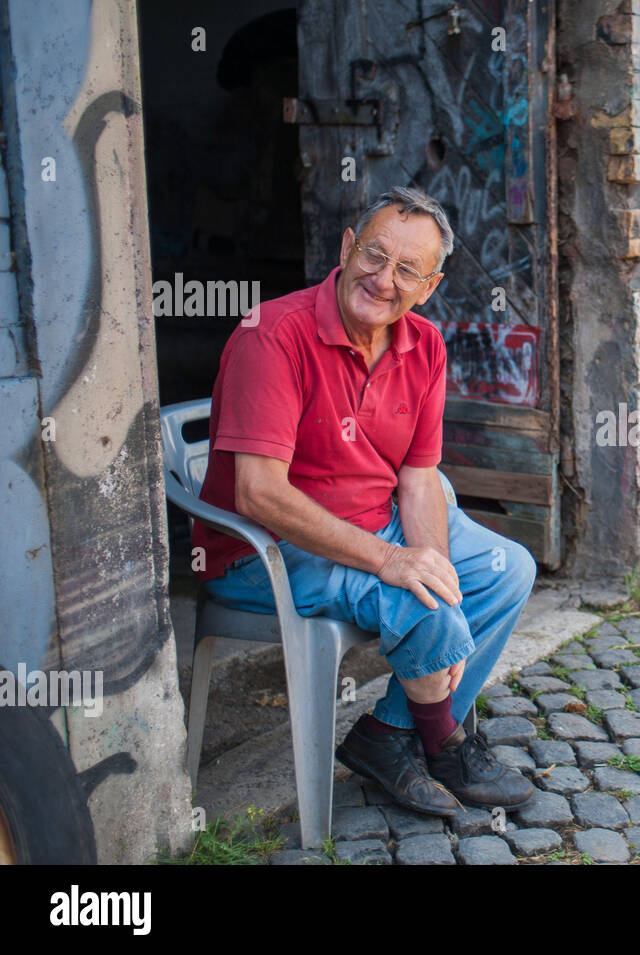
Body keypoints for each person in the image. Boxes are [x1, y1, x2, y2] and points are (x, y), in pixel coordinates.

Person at [193, 186, 537, 816]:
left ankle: (386, 735)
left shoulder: (425, 344)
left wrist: (429, 560)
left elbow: (419, 476)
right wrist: (393, 562)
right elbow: (258, 493)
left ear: (428, 285)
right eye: (374, 255)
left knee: (505, 570)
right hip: (264, 549)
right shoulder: (272, 335)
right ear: (347, 247)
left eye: (407, 269)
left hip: (372, 521)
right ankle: (446, 741)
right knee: (417, 601)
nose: (384, 280)